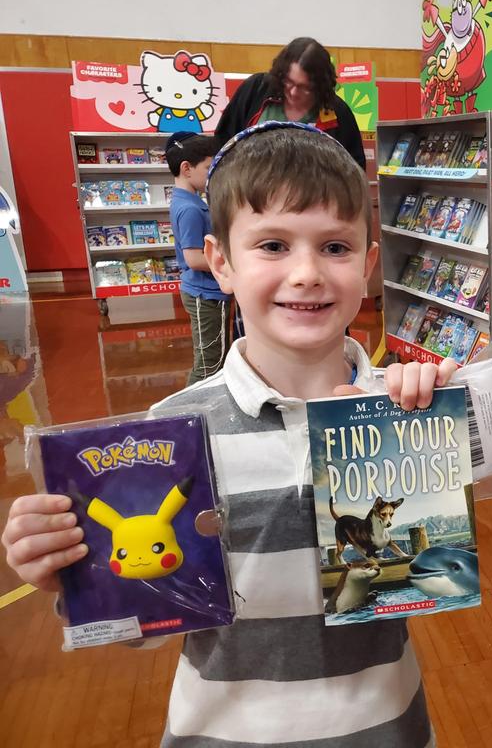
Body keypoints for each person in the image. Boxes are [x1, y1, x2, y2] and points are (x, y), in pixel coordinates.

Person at [1, 122, 454, 747]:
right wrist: (75, 574)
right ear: (220, 262)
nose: (306, 273)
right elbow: (147, 620)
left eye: (335, 247)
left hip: (386, 728)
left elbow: (432, 560)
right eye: (272, 245)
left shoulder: (403, 409)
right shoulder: (167, 439)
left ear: (368, 264)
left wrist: (440, 408)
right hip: (222, 734)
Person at [215, 37, 365, 169]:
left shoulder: (337, 112)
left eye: (305, 87)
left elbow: (353, 171)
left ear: (320, 86)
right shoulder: (256, 89)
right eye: (288, 82)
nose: (293, 92)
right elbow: (224, 142)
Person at [166, 131, 230, 385]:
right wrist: (231, 266)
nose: (212, 174)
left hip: (209, 293)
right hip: (205, 294)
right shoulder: (190, 209)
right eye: (208, 167)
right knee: (208, 365)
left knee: (215, 358)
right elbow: (193, 258)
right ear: (186, 168)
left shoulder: (191, 202)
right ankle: (191, 406)